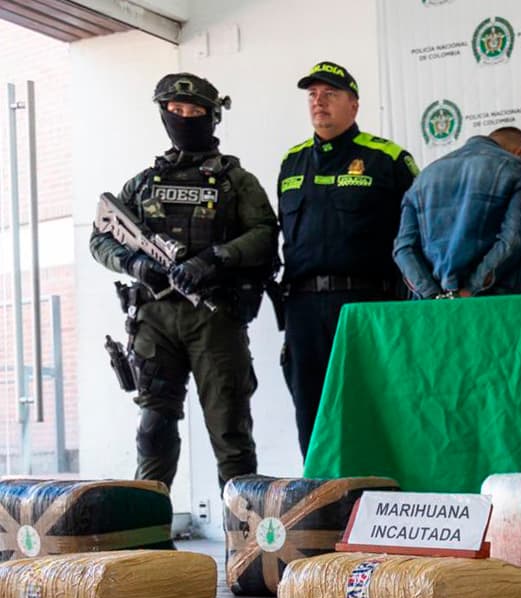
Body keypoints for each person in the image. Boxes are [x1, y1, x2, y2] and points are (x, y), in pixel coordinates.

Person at [89, 73, 277, 489]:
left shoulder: (235, 181)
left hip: (215, 316)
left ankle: (245, 539)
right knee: (152, 429)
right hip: (154, 319)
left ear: (212, 118)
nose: (185, 118)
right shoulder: (142, 184)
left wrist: (213, 259)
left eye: (195, 112)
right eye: (176, 111)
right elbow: (100, 238)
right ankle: (150, 537)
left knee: (230, 433)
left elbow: (265, 235)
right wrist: (136, 265)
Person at [278, 61, 420, 459]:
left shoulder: (388, 160)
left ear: (354, 106)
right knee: (310, 410)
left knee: (376, 404)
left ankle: (381, 499)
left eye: (330, 94)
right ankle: (319, 505)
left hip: (367, 305)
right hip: (303, 306)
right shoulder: (292, 162)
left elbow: (416, 237)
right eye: (312, 95)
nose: (319, 102)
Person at [394, 127, 521, 298]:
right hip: (503, 305)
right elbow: (514, 238)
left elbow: (404, 248)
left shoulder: (423, 177)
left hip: (434, 313)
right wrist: (471, 289)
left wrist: (431, 294)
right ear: (520, 153)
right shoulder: (519, 168)